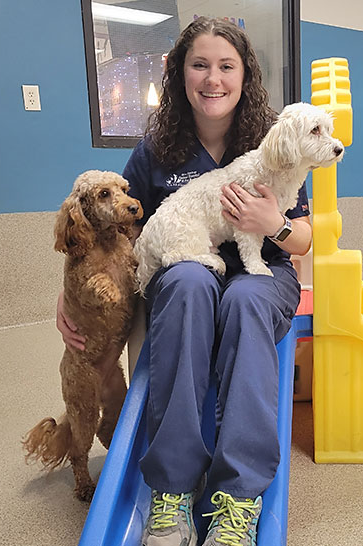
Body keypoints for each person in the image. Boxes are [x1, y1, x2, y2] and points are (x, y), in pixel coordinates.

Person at [56, 16, 311, 546]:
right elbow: (114, 234)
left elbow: (305, 239)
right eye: (200, 65)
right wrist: (70, 295)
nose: (212, 79)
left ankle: (238, 502)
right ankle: (170, 494)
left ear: (245, 75)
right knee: (190, 284)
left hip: (261, 271)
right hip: (185, 277)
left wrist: (276, 225)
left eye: (226, 66)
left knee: (243, 299)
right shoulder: (155, 150)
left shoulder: (276, 141)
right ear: (179, 74)